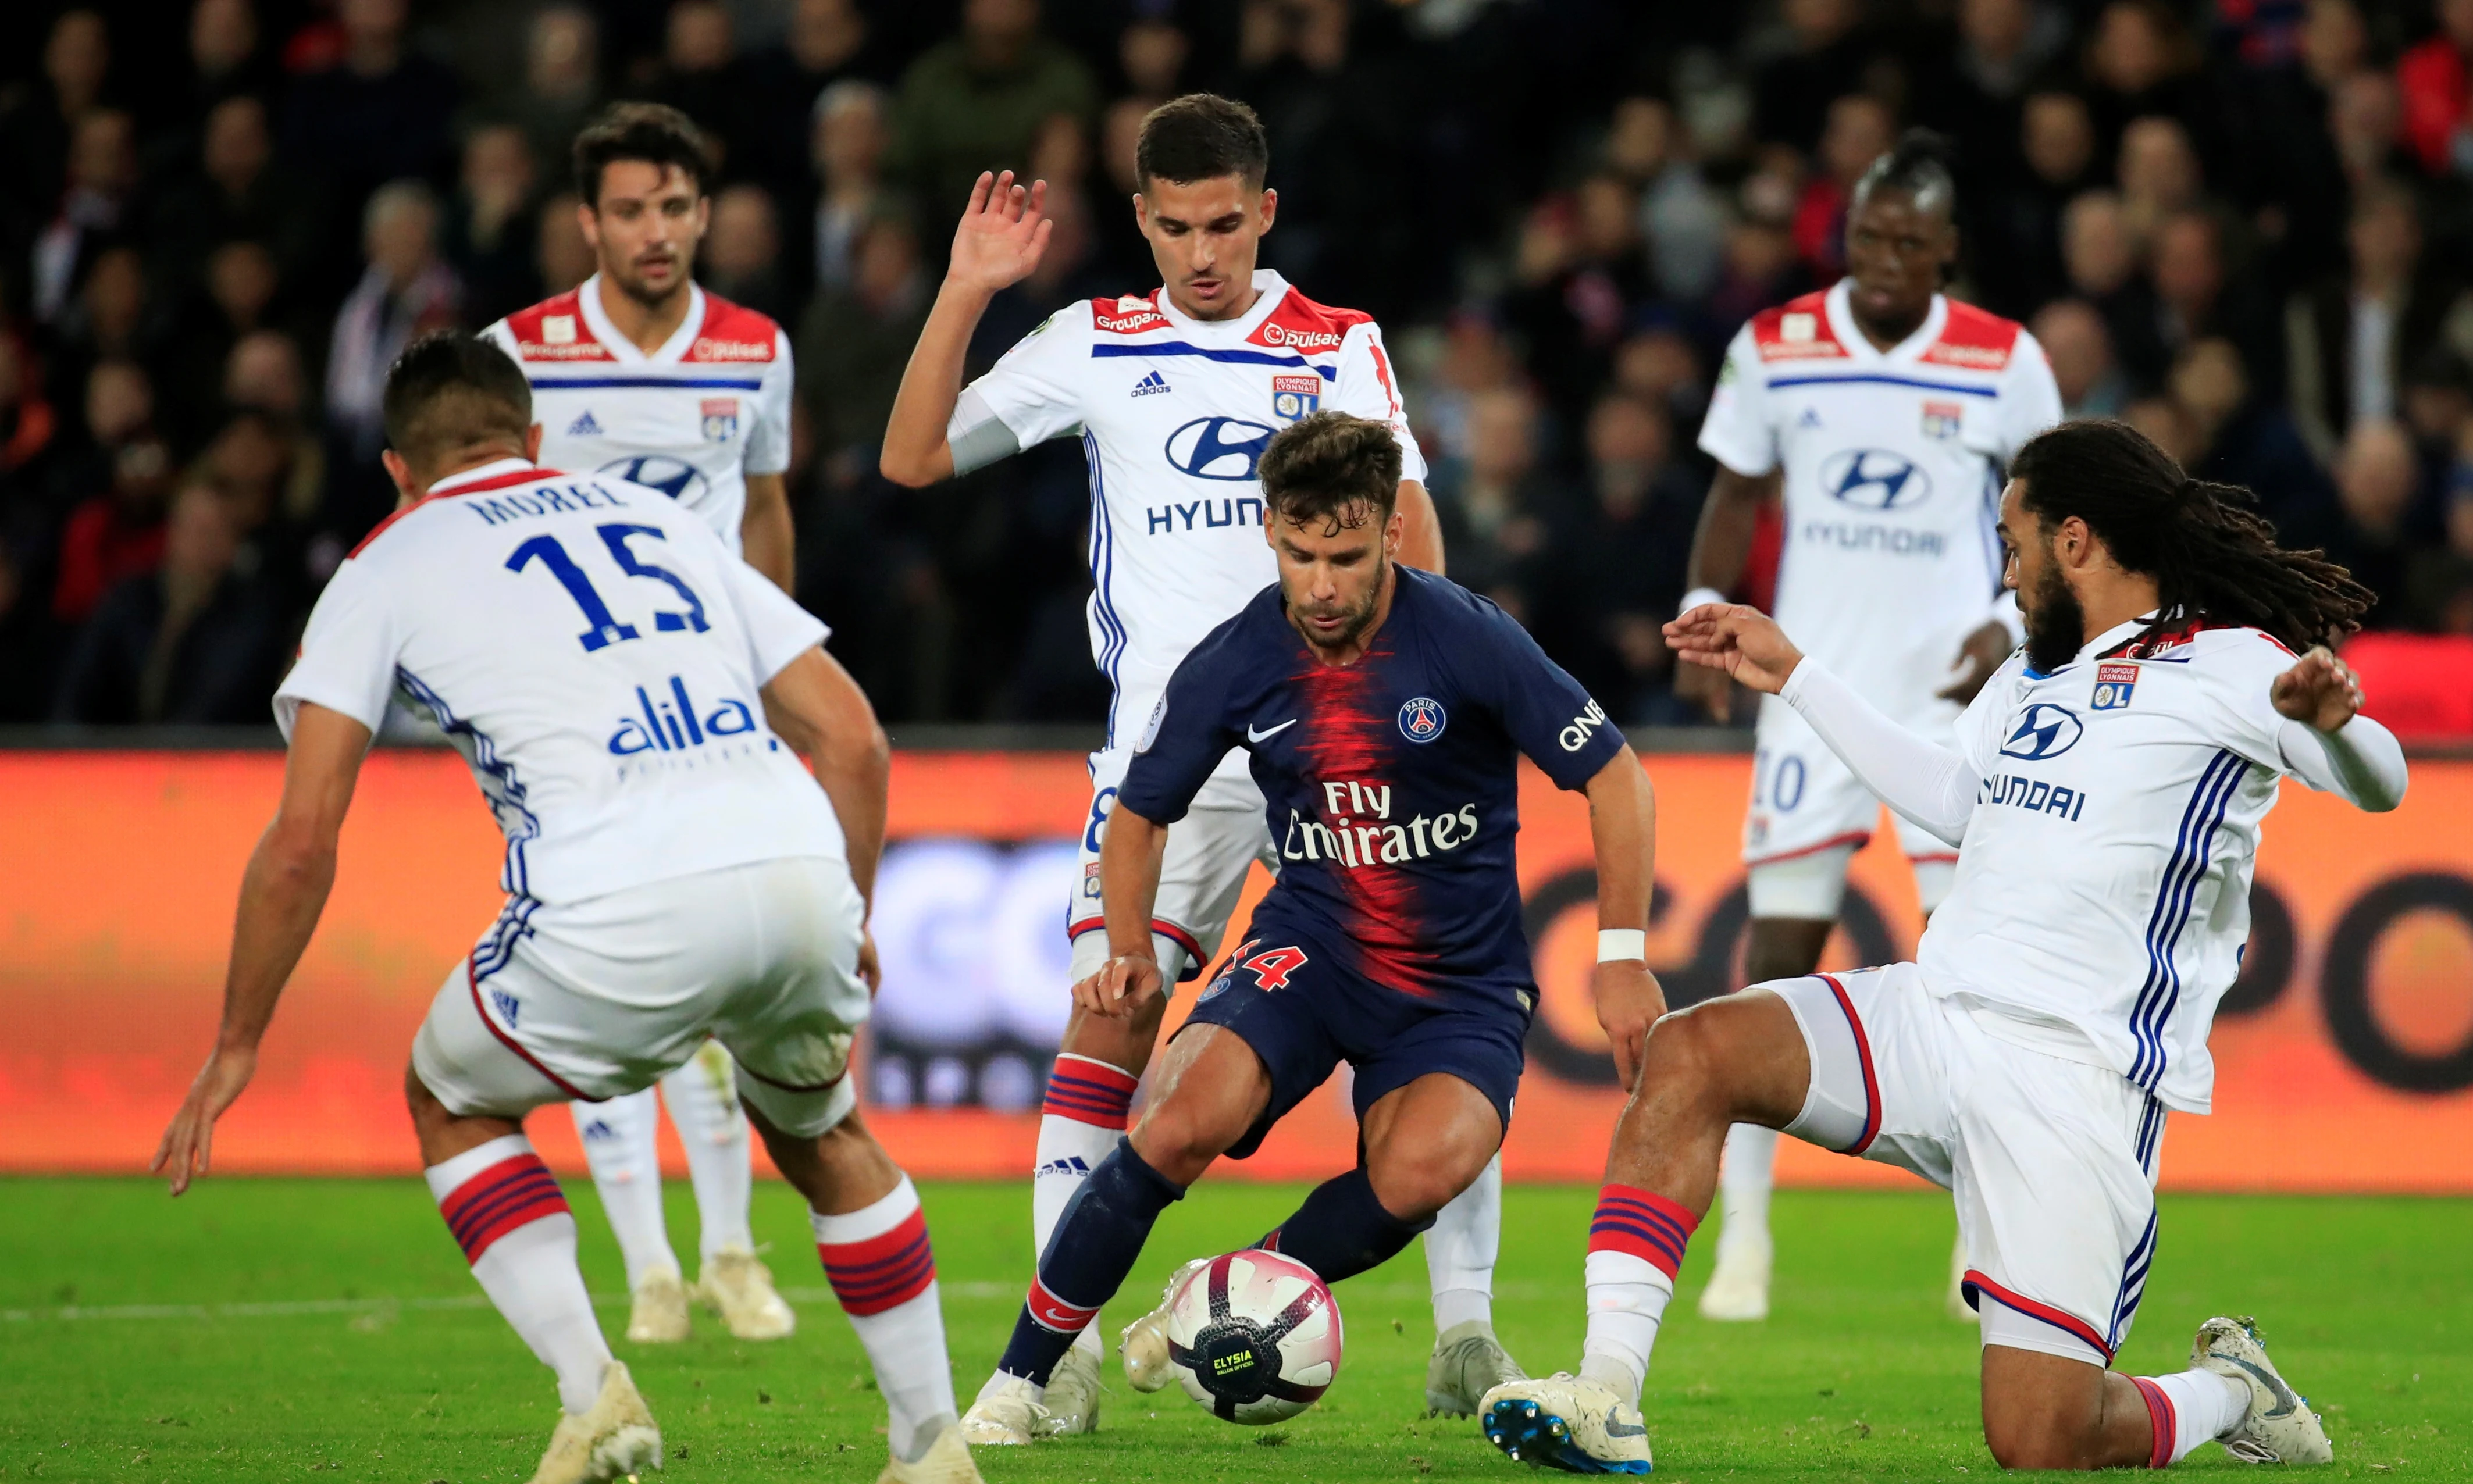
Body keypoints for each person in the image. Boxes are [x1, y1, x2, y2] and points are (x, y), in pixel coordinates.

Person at [1484, 417, 2402, 1474]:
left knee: (2042, 1439)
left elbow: (2385, 782)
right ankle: (1606, 1396)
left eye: (2012, 543)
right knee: (1694, 1053)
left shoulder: (2235, 664)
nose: (2002, 571)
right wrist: (1797, 676)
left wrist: (2336, 727)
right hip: (1936, 1015)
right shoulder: (2030, 674)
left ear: (2075, 542)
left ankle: (2229, 1391)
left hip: (2075, 1080)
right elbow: (1958, 802)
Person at [149, 333, 980, 1484]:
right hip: (791, 860)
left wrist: (238, 1040)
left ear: (397, 468)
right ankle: (932, 1445)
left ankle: (596, 1400)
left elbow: (301, 843)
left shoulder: (382, 566)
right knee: (826, 1133)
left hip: (614, 905)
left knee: (448, 1096)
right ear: (532, 437)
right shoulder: (665, 521)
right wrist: (848, 908)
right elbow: (853, 737)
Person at [878, 94, 1513, 1434]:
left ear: (1265, 211)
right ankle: (1069, 1361)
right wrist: (964, 290)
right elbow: (912, 457)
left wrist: (1414, 731)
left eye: (1224, 223)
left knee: (1423, 1009)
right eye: (1174, 227)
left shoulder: (1340, 343)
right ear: (1143, 223)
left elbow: (1416, 542)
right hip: (1173, 763)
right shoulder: (1095, 343)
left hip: (1333, 754)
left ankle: (1468, 1331)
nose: (1202, 253)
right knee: (1109, 1015)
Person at [954, 411, 1665, 1446]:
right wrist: (1123, 951)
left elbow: (1615, 775)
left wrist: (1621, 958)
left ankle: (1226, 1285)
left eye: (1344, 556)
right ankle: (1023, 1377)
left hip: (1457, 984)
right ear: (1271, 534)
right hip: (1316, 948)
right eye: (1299, 555)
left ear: (1387, 531)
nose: (1321, 584)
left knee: (1428, 1167)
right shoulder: (1243, 653)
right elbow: (1143, 810)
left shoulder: (1462, 633)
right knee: (1177, 1119)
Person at [1672, 130, 2061, 1322]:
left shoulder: (2004, 360)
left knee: (1971, 971)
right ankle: (1746, 1237)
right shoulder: (1777, 345)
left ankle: (1980, 1242)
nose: (1886, 259)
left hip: (1952, 707)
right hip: (1810, 693)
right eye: (1870, 237)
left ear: (1948, 250)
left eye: (1911, 241)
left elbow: (2061, 511)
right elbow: (1736, 493)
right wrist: (1701, 611)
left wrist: (2009, 619)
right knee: (1777, 956)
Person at [478, 102, 804, 1349]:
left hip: (707, 714)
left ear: (705, 214)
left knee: (714, 990)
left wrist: (775, 661)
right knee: (600, 983)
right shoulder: (522, 355)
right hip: (566, 720)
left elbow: (764, 504)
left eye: (675, 207)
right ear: (587, 221)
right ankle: (654, 1269)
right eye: (629, 210)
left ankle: (728, 1252)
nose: (655, 232)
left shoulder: (754, 350)